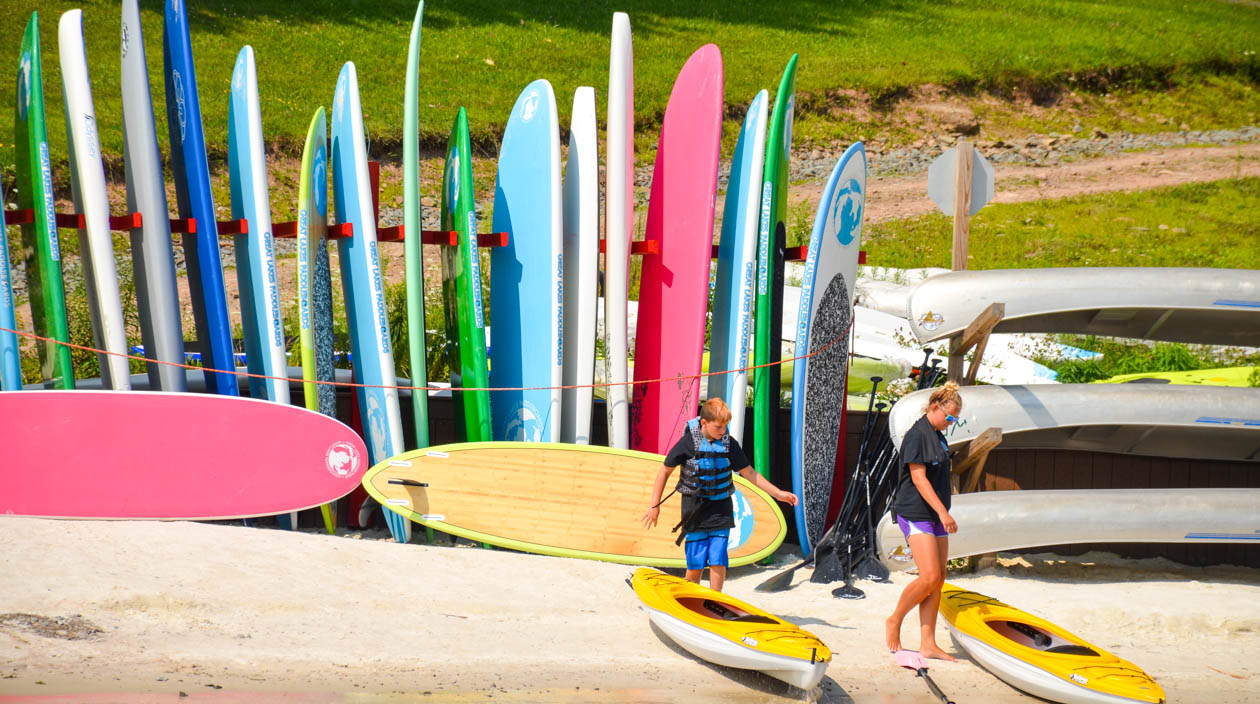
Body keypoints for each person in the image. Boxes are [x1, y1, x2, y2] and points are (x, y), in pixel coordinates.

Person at [641, 398, 798, 592]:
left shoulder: (729, 444)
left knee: (718, 559)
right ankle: (691, 597)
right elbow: (664, 472)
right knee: (696, 563)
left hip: (721, 509)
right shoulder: (688, 443)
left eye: (725, 426)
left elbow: (749, 473)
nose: (723, 431)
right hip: (694, 510)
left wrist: (778, 494)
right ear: (704, 423)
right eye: (718, 427)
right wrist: (654, 506)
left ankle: (716, 599)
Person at [885, 381, 962, 661]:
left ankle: (927, 643)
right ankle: (894, 619)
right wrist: (943, 513)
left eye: (955, 418)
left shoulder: (939, 434)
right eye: (949, 416)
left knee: (938, 579)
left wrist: (942, 510)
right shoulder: (917, 435)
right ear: (934, 408)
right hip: (916, 511)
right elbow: (918, 479)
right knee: (928, 576)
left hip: (936, 511)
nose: (951, 422)